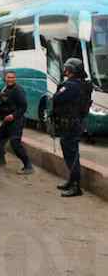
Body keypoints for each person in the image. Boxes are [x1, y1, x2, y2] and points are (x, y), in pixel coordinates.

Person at [52, 58, 92, 198]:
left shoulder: (71, 85)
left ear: (72, 71)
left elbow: (57, 98)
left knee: (72, 154)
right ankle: (72, 180)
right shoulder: (80, 84)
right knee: (70, 152)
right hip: (74, 123)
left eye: (67, 68)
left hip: (71, 124)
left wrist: (58, 90)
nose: (65, 71)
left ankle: (76, 186)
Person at [0, 71, 34, 174]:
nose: (10, 79)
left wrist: (13, 116)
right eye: (8, 77)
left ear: (15, 79)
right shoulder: (4, 89)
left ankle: (28, 166)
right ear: (5, 79)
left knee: (15, 143)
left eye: (12, 78)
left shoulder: (18, 90)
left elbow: (23, 107)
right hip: (7, 121)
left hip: (16, 121)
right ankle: (2, 160)